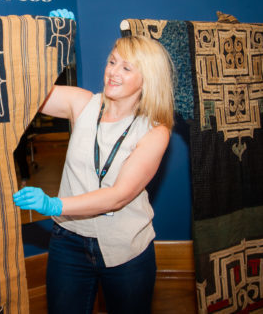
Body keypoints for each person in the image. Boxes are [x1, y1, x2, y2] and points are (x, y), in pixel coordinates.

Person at [13, 31, 175, 314]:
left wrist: (54, 204)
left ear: (147, 79)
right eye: (112, 62)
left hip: (126, 247)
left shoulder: (155, 130)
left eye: (126, 68)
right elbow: (27, 91)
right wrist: (52, 45)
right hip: (69, 241)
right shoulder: (83, 103)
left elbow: (118, 196)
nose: (113, 72)